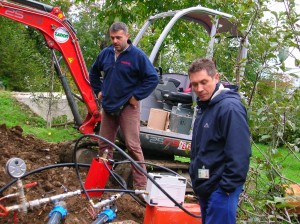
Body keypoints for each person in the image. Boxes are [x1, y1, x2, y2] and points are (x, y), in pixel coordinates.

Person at [89, 22, 159, 190]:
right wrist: (98, 90)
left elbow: (152, 78)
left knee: (133, 146)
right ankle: (100, 182)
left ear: (127, 36)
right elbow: (93, 73)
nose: (115, 41)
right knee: (104, 145)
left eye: (118, 37)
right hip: (109, 106)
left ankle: (141, 187)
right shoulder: (105, 54)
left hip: (128, 107)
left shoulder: (137, 56)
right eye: (112, 37)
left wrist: (136, 97)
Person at [188, 58, 251, 224]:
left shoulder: (230, 108)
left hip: (221, 190)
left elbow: (240, 153)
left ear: (216, 77)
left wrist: (226, 188)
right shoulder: (205, 106)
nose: (199, 89)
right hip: (206, 186)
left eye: (204, 82)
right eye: (194, 84)